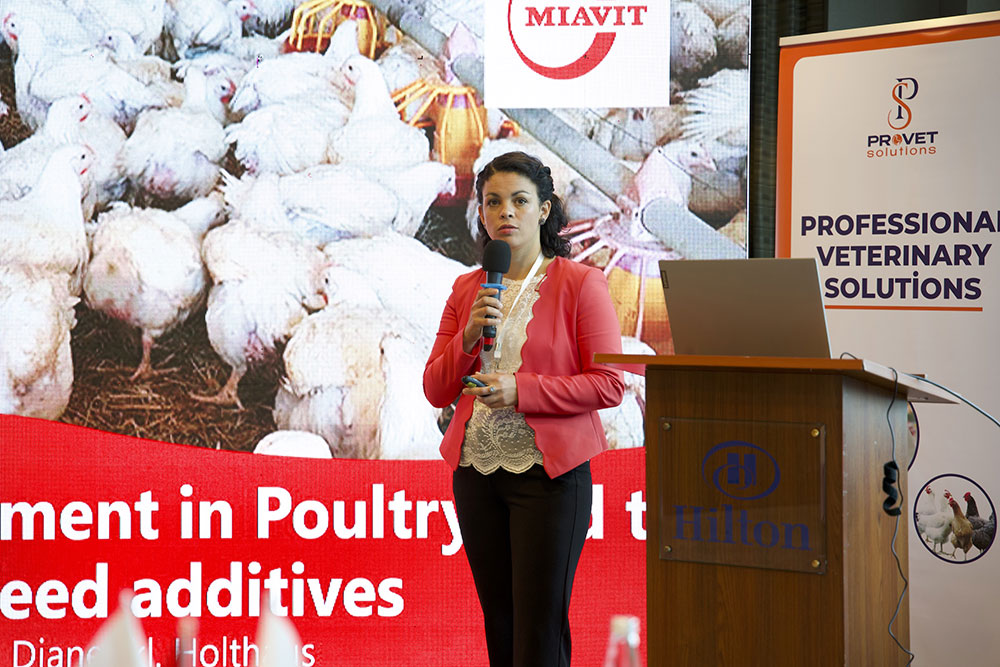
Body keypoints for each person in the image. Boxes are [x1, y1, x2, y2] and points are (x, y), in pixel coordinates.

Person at [423, 151, 625, 666]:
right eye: (493, 202)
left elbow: (609, 385)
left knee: (538, 636)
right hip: (476, 475)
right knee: (502, 629)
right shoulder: (467, 289)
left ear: (544, 209)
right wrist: (469, 336)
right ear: (481, 213)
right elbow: (436, 389)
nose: (505, 212)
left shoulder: (582, 283)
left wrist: (522, 390)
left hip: (549, 479)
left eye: (519, 200)